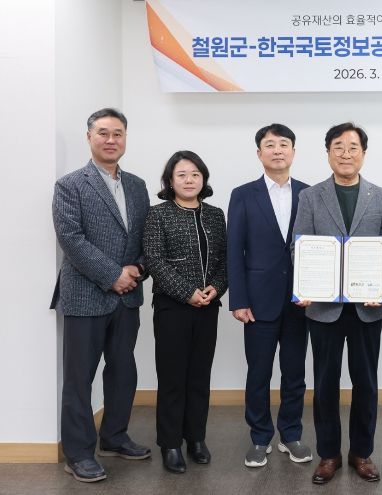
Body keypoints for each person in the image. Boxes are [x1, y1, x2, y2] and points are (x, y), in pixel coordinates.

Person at [291, 122, 382, 485]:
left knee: (366, 383)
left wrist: (380, 286)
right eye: (338, 147)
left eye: (353, 147)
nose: (346, 154)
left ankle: (361, 453)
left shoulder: (381, 196)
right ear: (328, 153)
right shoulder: (311, 196)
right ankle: (328, 454)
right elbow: (299, 246)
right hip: (323, 308)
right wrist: (306, 283)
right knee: (324, 384)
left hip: (366, 308)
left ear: (363, 154)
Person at [51, 108, 151, 483]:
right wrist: (112, 276)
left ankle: (114, 437)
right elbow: (71, 239)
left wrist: (137, 268)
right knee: (80, 378)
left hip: (128, 296)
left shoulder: (137, 185)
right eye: (104, 133)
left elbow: (146, 237)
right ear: (89, 137)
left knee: (123, 371)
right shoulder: (70, 185)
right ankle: (78, 453)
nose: (111, 140)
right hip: (84, 295)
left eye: (118, 133)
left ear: (125, 138)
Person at [227, 124, 312, 468]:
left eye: (284, 144)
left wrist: (316, 291)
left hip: (300, 302)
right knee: (258, 373)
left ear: (293, 151)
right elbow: (235, 250)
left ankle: (290, 434)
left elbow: (318, 247)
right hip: (257, 302)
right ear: (259, 152)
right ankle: (260, 437)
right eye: (270, 145)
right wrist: (238, 300)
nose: (278, 150)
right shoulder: (243, 194)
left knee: (295, 374)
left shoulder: (310, 193)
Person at [143, 150, 227, 473]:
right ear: (170, 180)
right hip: (172, 308)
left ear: (203, 178)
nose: (189, 180)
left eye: (195, 174)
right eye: (182, 175)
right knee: (173, 378)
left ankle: (196, 439)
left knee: (199, 377)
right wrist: (186, 292)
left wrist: (215, 287)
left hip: (208, 306)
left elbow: (225, 260)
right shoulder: (158, 214)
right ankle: (170, 444)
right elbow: (154, 260)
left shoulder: (215, 215)